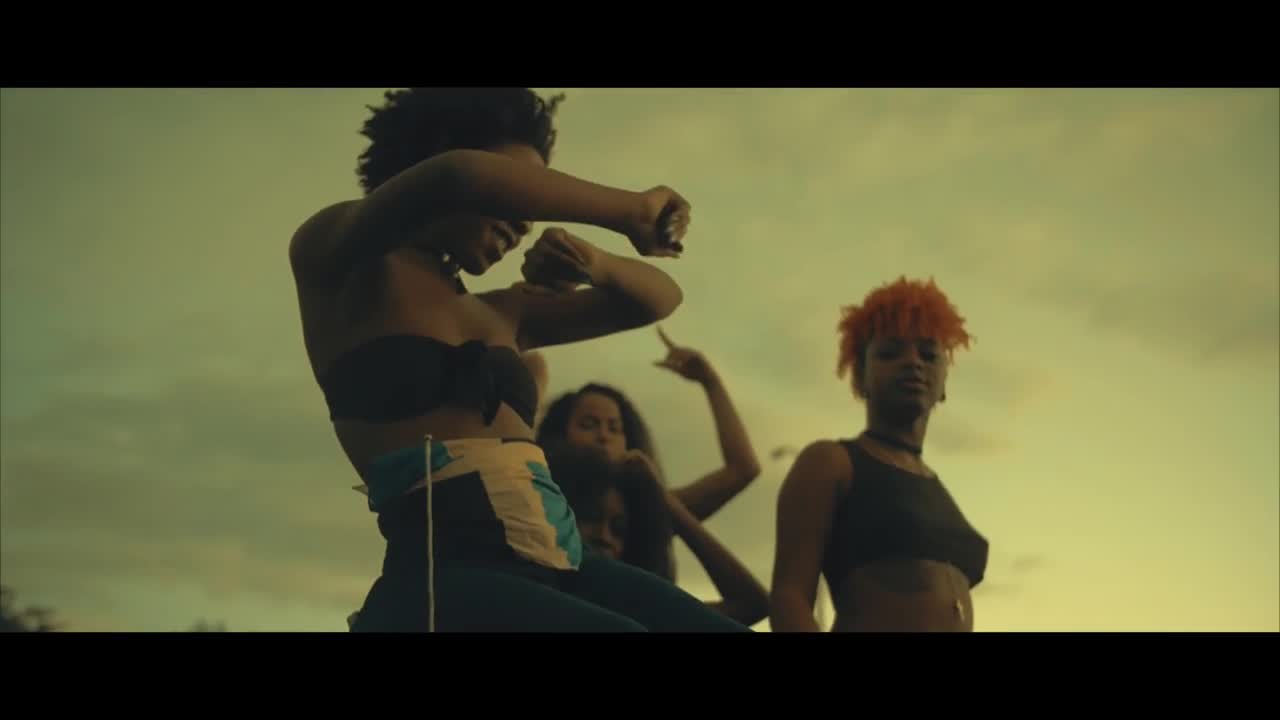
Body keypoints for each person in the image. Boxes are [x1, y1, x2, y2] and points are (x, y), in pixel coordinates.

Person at [288, 87, 747, 632]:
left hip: (566, 563)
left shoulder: (503, 314)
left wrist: (594, 262)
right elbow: (462, 176)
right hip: (448, 572)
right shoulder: (337, 259)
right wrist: (628, 209)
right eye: (521, 192)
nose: (528, 219)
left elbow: (658, 298)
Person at [770, 277, 988, 632]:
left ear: (944, 383)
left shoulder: (936, 488)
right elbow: (789, 597)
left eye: (929, 354)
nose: (913, 363)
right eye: (890, 352)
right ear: (859, 377)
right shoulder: (831, 463)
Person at [533, 328, 769, 626]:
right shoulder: (534, 501)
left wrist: (710, 382)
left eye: (615, 428)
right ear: (559, 436)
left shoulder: (644, 508)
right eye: (589, 424)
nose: (603, 436)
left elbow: (743, 470)